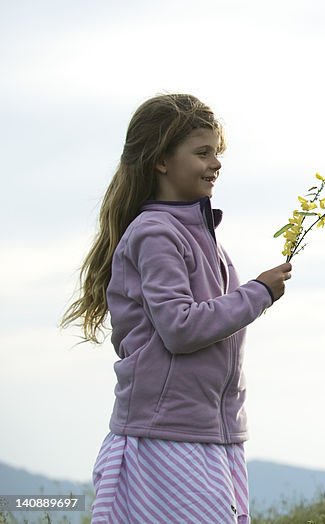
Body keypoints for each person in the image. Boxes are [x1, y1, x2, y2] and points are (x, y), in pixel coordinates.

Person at [61, 94, 293, 523]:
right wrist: (258, 292)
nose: (215, 164)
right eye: (202, 153)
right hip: (166, 437)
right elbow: (180, 328)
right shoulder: (156, 233)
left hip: (212, 434)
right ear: (161, 161)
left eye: (217, 154)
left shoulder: (207, 240)